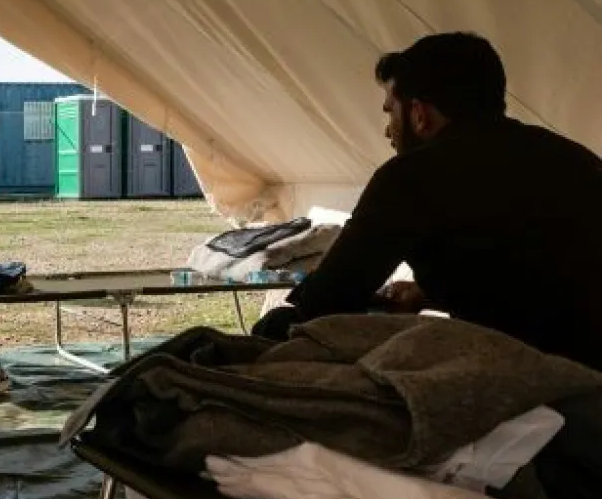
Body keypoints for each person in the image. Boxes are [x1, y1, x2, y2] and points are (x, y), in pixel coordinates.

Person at [252, 32, 602, 372]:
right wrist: (429, 295)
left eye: (391, 112)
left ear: (419, 114)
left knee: (273, 331)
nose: (388, 130)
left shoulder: (411, 177)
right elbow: (532, 278)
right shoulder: (575, 160)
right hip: (587, 358)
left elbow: (330, 297)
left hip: (538, 381)